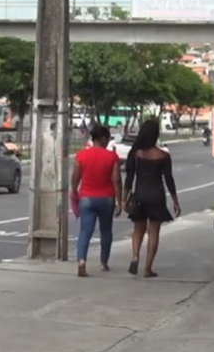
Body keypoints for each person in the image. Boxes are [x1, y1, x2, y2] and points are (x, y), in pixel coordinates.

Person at [123, 118, 182, 278]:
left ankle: (135, 256)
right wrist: (176, 202)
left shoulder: (136, 154)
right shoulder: (163, 155)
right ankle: (147, 269)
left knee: (138, 229)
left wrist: (124, 199)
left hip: (140, 195)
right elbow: (169, 180)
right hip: (157, 196)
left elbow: (129, 178)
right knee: (153, 232)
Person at [69, 122, 123, 277]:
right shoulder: (112, 156)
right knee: (106, 231)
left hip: (86, 198)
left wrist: (74, 193)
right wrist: (120, 201)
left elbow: (75, 178)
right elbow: (116, 180)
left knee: (85, 231)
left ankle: (81, 261)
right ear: (103, 138)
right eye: (107, 138)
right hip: (106, 198)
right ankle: (104, 262)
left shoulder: (81, 155)